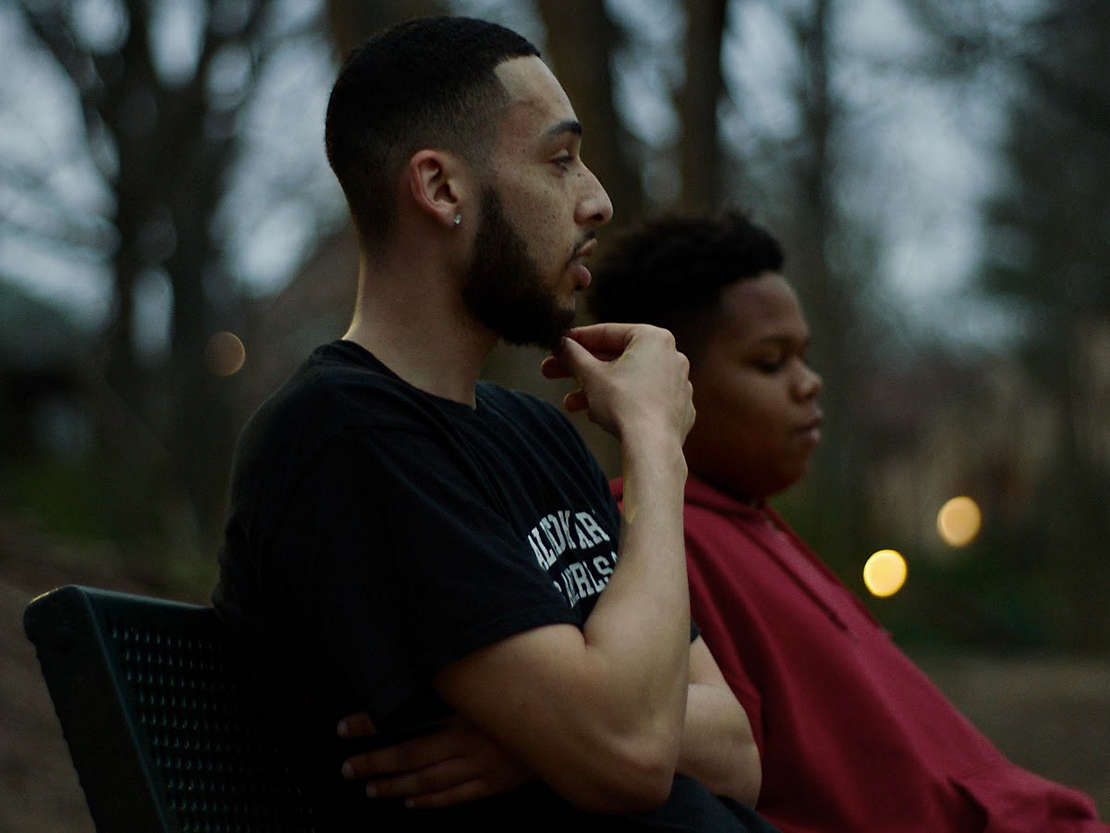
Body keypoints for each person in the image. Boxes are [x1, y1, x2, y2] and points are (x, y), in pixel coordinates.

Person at [213, 17, 776, 833]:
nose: (598, 199)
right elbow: (631, 751)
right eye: (560, 159)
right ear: (442, 189)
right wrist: (656, 443)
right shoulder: (345, 438)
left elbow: (738, 753)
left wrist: (539, 741)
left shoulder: (535, 435)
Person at [590, 212, 1109, 833]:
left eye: (804, 358)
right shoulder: (655, 539)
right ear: (666, 384)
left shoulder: (753, 521)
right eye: (770, 362)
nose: (809, 384)